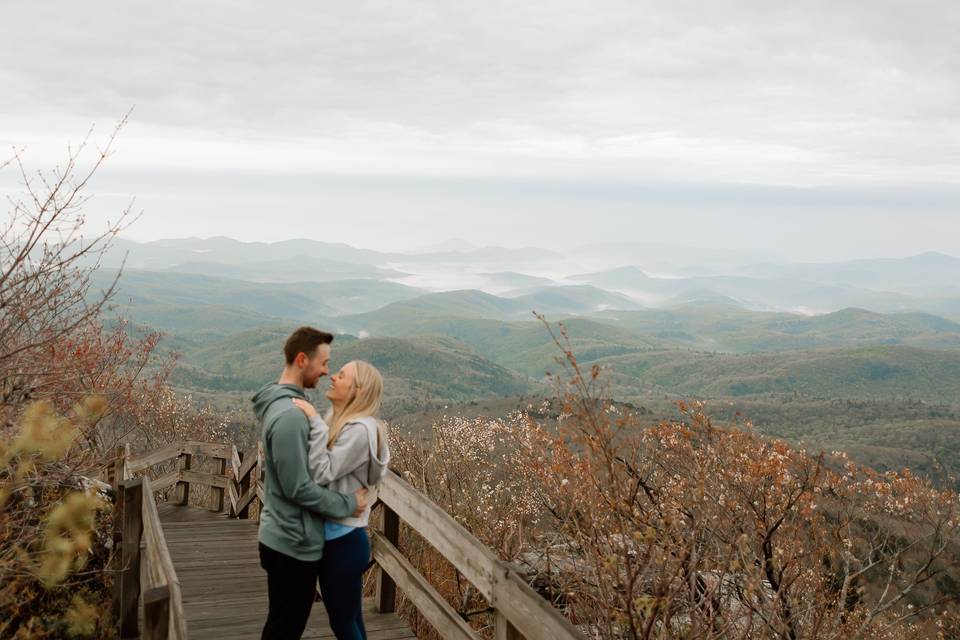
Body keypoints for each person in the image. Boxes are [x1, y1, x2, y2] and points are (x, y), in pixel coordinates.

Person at [252, 327, 369, 640]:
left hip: (288, 538)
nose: (327, 371)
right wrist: (349, 504)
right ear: (302, 359)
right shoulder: (290, 416)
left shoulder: (284, 406)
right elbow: (298, 488)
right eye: (324, 362)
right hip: (292, 544)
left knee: (282, 624)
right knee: (284, 629)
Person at [292, 359, 390, 640]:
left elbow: (321, 471)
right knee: (351, 620)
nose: (333, 377)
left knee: (344, 625)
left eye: (342, 375)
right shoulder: (341, 422)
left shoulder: (359, 430)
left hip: (342, 541)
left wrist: (311, 419)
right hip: (338, 537)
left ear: (357, 389)